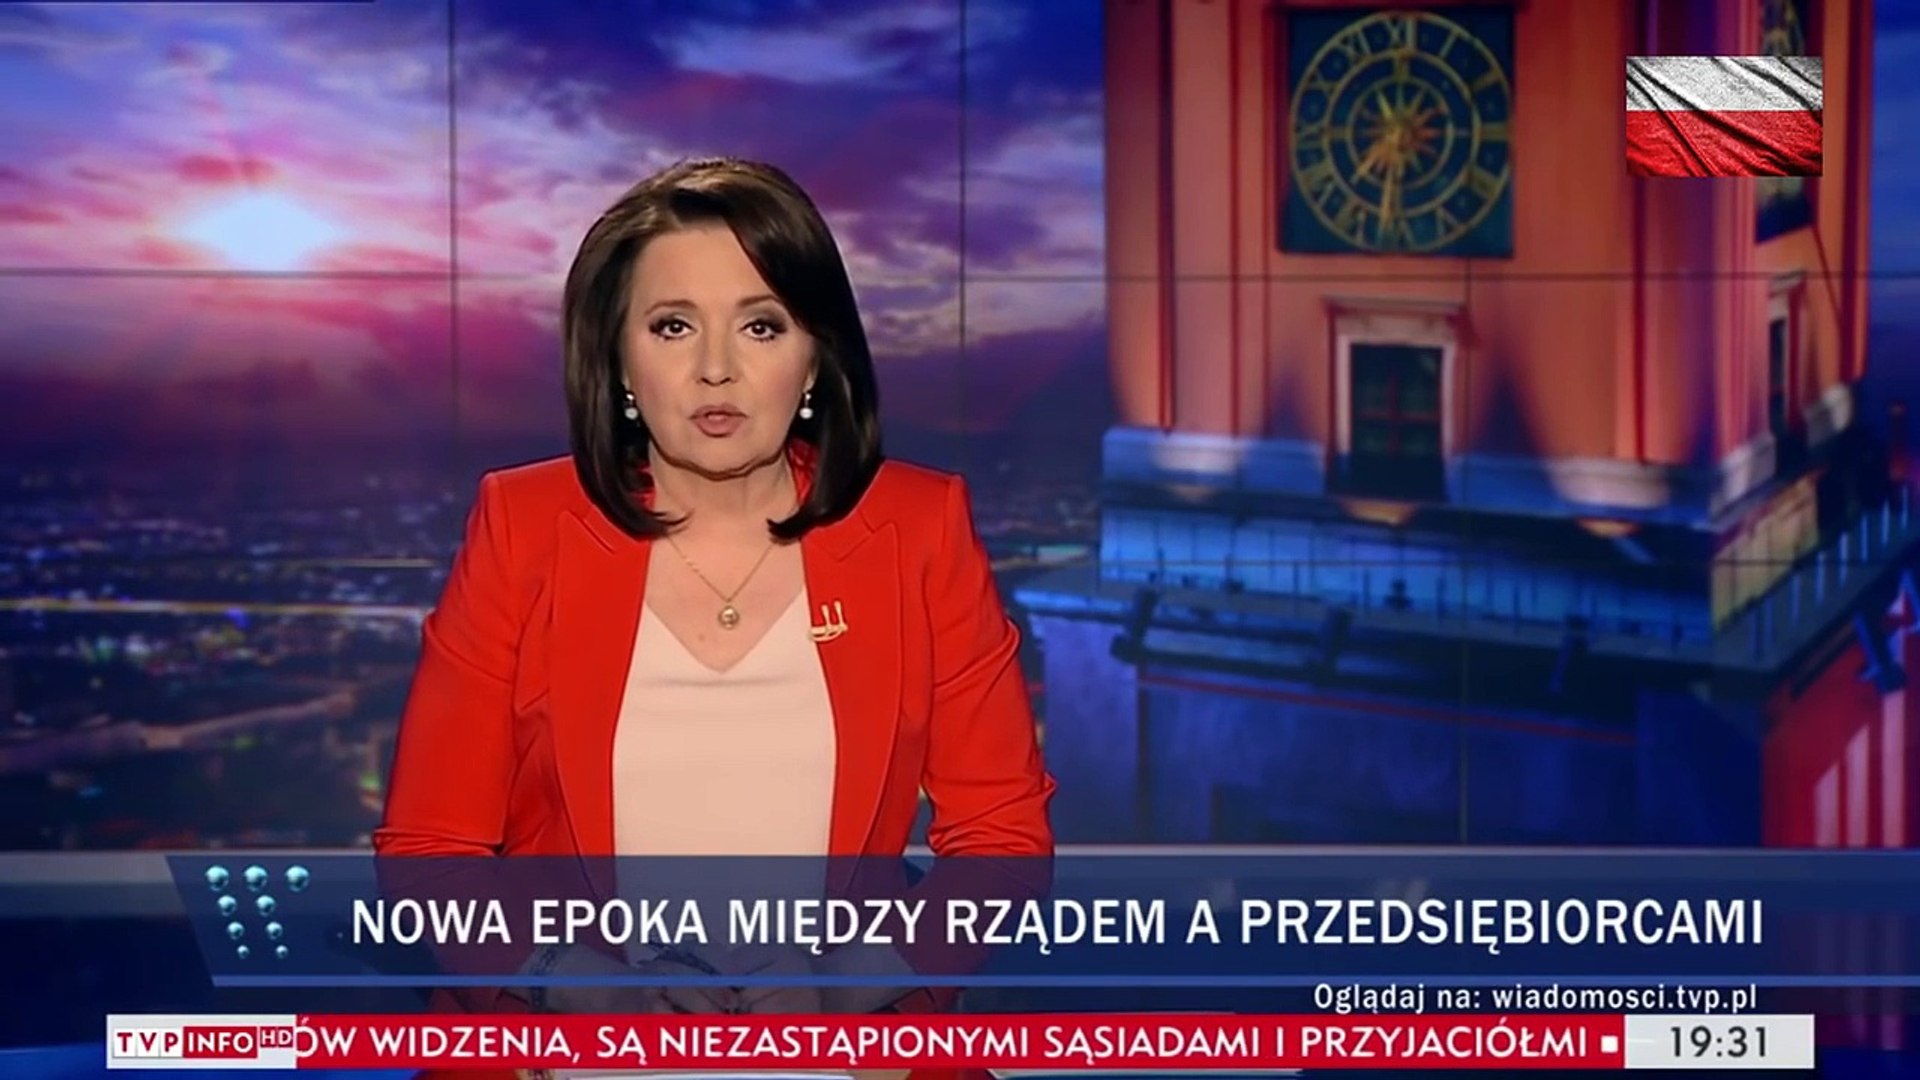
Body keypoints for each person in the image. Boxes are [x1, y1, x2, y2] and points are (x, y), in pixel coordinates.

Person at [373, 157, 1056, 1072]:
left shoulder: (918, 527)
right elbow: (430, 849)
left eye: (761, 325)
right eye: (673, 325)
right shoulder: (525, 525)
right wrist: (575, 984)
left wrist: (854, 982)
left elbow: (1001, 839)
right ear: (618, 359)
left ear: (815, 356)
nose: (716, 369)